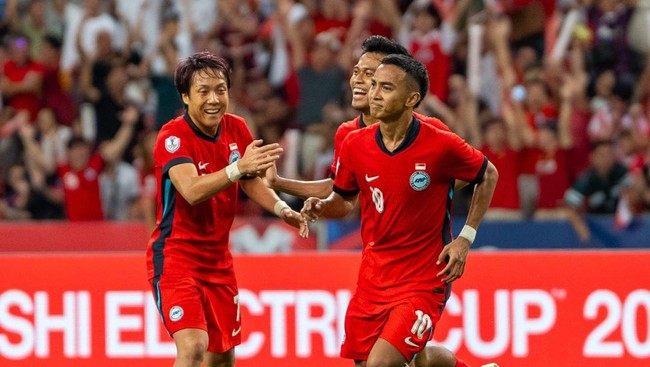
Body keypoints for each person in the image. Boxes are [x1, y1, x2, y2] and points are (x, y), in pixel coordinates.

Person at [265, 35, 478, 367]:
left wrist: (442, 212)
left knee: (386, 362)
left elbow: (466, 173)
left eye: (373, 75)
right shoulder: (349, 137)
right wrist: (286, 187)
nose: (362, 82)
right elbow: (344, 193)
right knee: (404, 361)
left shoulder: (431, 133)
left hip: (423, 273)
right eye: (359, 72)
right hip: (376, 273)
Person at [145, 51, 307, 367]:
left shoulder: (236, 128)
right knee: (193, 346)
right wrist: (237, 169)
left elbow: (249, 181)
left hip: (218, 262)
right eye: (203, 91)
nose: (214, 99)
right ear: (185, 97)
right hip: (176, 257)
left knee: (221, 358)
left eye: (221, 90)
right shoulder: (172, 137)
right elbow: (191, 191)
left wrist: (281, 208)